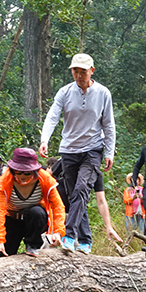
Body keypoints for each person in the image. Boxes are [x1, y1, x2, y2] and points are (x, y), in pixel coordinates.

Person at [39, 53, 122, 254]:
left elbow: (109, 124)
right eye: (75, 71)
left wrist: (109, 152)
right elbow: (52, 116)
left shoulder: (103, 93)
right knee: (75, 195)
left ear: (91, 71)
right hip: (69, 150)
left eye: (82, 72)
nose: (78, 75)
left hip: (92, 149)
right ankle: (85, 240)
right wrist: (44, 139)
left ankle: (69, 236)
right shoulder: (65, 92)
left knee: (82, 189)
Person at [0, 148, 66, 260]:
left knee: (37, 212)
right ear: (12, 170)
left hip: (35, 221)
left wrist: (58, 232)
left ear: (34, 171)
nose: (22, 176)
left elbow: (58, 206)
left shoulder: (44, 178)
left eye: (27, 173)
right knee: (4, 254)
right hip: (13, 220)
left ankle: (32, 245)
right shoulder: (5, 180)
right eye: (18, 172)